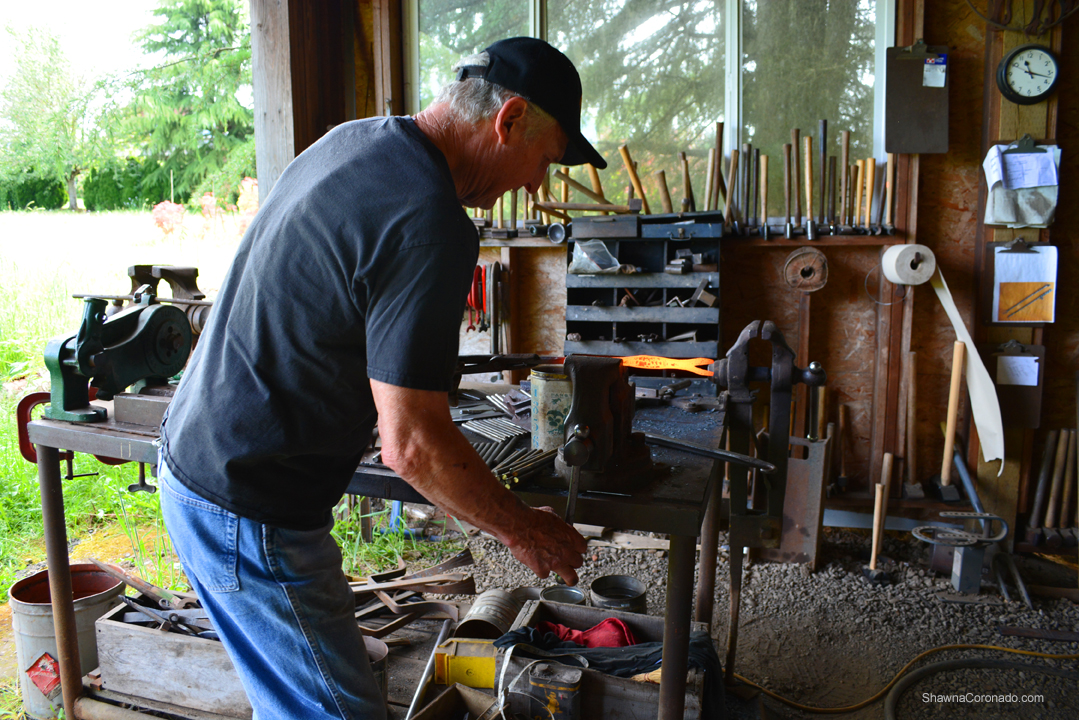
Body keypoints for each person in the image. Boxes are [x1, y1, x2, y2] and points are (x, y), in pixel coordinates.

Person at [157, 37, 601, 719]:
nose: (535, 185)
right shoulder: (431, 218)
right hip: (247, 504)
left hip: (200, 463)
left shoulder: (356, 141)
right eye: (542, 160)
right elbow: (413, 447)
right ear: (507, 120)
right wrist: (522, 529)